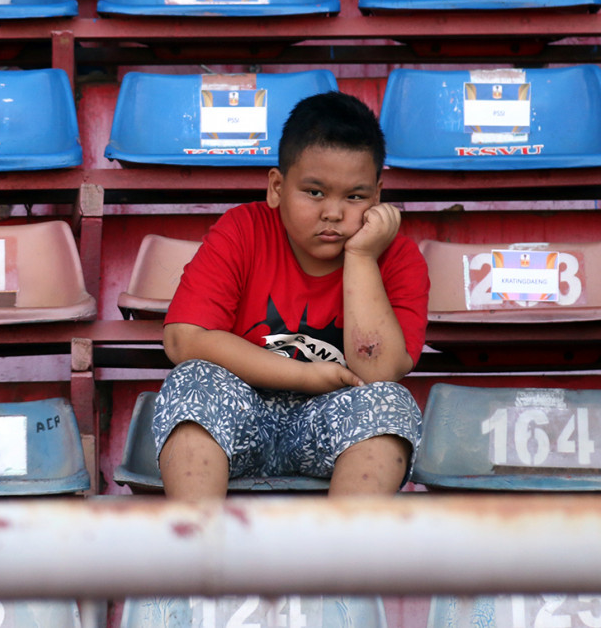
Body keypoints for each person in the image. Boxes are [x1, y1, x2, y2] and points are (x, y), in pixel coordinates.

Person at [153, 91, 430, 500]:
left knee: (392, 402)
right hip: (238, 413)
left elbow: (379, 372)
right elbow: (183, 339)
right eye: (315, 192)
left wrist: (361, 257)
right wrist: (305, 376)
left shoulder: (397, 258)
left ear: (377, 196)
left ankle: (345, 540)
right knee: (192, 379)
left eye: (354, 197)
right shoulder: (243, 230)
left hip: (332, 426)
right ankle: (199, 536)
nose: (333, 212)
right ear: (277, 187)